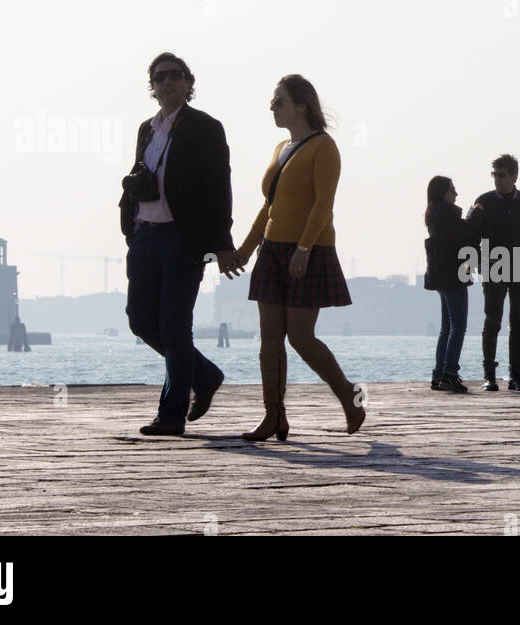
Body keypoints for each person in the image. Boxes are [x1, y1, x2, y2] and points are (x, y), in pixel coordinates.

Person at [233, 74, 365, 441]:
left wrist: (304, 249)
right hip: (272, 250)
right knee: (270, 339)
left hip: (310, 249)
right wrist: (245, 250)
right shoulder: (280, 147)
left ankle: (348, 395)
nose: (273, 107)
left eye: (280, 101)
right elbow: (270, 206)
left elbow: (324, 204)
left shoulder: (325, 147)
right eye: (272, 101)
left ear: (302, 105)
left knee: (301, 337)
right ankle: (273, 416)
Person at [119, 52, 244, 436]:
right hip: (145, 236)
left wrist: (222, 244)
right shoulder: (147, 129)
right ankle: (204, 375)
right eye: (160, 77)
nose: (167, 82)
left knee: (174, 327)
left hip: (181, 238)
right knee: (141, 321)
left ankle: (171, 415)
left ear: (189, 83)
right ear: (152, 87)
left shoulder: (205, 128)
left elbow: (219, 188)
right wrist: (130, 227)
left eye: (175, 76)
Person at [468, 154, 520, 392]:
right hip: (493, 268)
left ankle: (515, 375)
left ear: (514, 176)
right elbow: (472, 235)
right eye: (495, 175)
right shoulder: (483, 202)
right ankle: (489, 374)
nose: (497, 180)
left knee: (518, 323)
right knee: (493, 321)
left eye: (502, 175)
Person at [423, 176, 476, 393]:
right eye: (452, 190)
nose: (456, 194)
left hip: (440, 277)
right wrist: (475, 214)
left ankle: (438, 374)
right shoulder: (446, 213)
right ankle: (450, 373)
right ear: (443, 192)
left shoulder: (433, 214)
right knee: (459, 327)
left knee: (446, 328)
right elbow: (465, 233)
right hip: (453, 277)